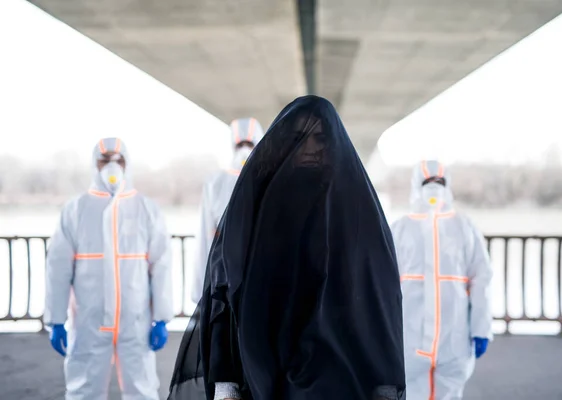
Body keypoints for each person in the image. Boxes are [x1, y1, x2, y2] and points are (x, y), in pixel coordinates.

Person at [168, 96, 406, 400]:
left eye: (320, 137)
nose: (310, 146)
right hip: (264, 370)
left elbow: (377, 296)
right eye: (298, 138)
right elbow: (227, 289)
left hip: (341, 371)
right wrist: (226, 382)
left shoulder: (354, 207)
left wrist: (383, 382)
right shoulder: (255, 205)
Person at [44, 137, 174, 400]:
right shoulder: (75, 209)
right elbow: (57, 268)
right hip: (88, 320)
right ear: (95, 165)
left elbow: (161, 265)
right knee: (84, 390)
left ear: (128, 164)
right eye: (105, 161)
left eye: (119, 160)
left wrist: (161, 316)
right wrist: (55, 319)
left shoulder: (145, 208)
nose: (112, 167)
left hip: (135, 320)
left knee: (142, 389)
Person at [390, 160, 493, 400]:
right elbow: (384, 283)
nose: (433, 188)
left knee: (450, 390)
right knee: (411, 390)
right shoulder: (400, 228)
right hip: (410, 334)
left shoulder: (464, 227)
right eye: (428, 182)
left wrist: (481, 327)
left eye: (439, 182)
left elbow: (481, 278)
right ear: (417, 185)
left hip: (454, 334)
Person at [191, 117, 264, 304]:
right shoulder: (215, 184)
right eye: (239, 144)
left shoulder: (270, 179)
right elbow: (204, 236)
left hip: (261, 276)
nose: (244, 150)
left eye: (250, 144)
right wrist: (200, 290)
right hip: (223, 278)